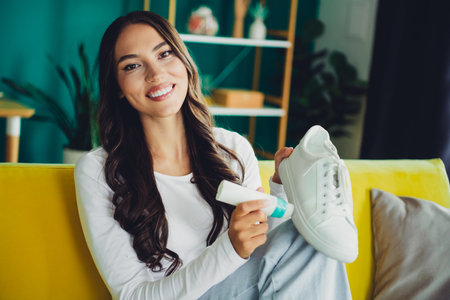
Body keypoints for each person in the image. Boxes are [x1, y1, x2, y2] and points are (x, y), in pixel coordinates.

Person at [74, 10, 352, 300]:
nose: (156, 74)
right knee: (313, 236)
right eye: (132, 66)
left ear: (184, 61)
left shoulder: (232, 148)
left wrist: (280, 190)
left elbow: (278, 262)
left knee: (312, 237)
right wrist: (230, 249)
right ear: (117, 87)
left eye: (165, 53)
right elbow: (132, 296)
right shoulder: (98, 170)